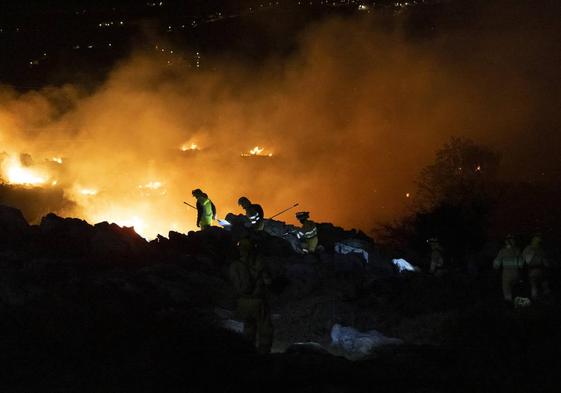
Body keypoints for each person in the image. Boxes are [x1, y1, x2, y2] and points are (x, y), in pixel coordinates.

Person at [229, 237, 273, 353]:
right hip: (257, 301)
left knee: (248, 328)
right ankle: (263, 354)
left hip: (242, 302)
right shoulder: (259, 262)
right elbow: (268, 281)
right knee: (265, 328)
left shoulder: (235, 265)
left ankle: (248, 353)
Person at [493, 235, 524, 303]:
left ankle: (509, 306)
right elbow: (521, 265)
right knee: (515, 292)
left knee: (507, 293)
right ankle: (517, 307)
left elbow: (496, 265)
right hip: (516, 275)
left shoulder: (502, 251)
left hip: (506, 276)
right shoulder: (517, 251)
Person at [522, 234, 550, 300]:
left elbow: (545, 262)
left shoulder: (540, 249)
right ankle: (535, 299)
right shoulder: (528, 248)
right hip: (532, 270)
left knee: (544, 285)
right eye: (536, 240)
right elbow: (527, 261)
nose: (538, 242)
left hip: (541, 270)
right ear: (533, 240)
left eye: (539, 241)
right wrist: (533, 252)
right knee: (534, 286)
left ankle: (545, 298)